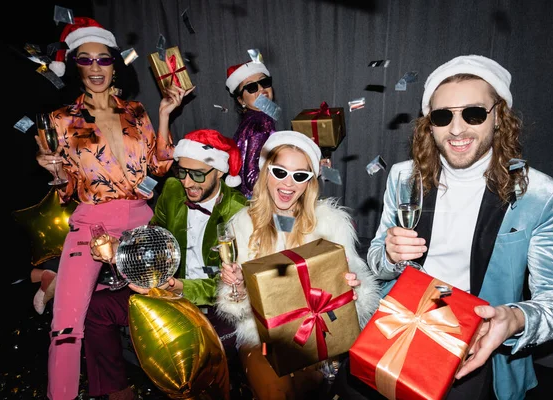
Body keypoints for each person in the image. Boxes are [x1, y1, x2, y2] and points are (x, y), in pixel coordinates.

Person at [336, 55, 553, 400]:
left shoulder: (538, 195)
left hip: (477, 339)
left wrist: (513, 319)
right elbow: (378, 261)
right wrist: (391, 256)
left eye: (473, 113)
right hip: (401, 321)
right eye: (443, 116)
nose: (456, 129)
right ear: (430, 125)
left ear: (498, 116)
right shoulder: (403, 177)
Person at [34, 17, 194, 400]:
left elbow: (158, 168)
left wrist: (165, 115)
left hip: (141, 224)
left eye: (102, 59)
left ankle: (183, 387)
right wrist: (50, 167)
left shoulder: (136, 112)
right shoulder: (61, 120)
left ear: (113, 64)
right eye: (85, 60)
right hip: (91, 227)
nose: (94, 68)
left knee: (165, 310)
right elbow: (67, 188)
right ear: (76, 65)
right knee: (67, 327)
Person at [84, 129, 249, 400]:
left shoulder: (239, 212)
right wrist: (121, 251)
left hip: (212, 303)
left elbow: (227, 284)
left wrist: (178, 286)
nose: (187, 182)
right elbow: (154, 237)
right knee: (98, 309)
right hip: (163, 289)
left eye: (197, 174)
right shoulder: (173, 191)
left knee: (202, 355)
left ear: (219, 172)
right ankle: (117, 390)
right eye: (182, 172)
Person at [216, 130, 381, 400]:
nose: (288, 184)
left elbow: (359, 285)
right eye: (280, 172)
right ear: (265, 172)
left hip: (321, 334)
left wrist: (353, 288)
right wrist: (236, 287)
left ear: (310, 183)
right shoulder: (243, 224)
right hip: (262, 338)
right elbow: (237, 307)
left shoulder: (330, 222)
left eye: (300, 175)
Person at [225, 59, 277, 199]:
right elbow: (252, 178)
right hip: (260, 202)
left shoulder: (250, 121)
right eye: (252, 87)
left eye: (264, 82)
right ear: (241, 100)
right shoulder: (262, 122)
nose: (261, 89)